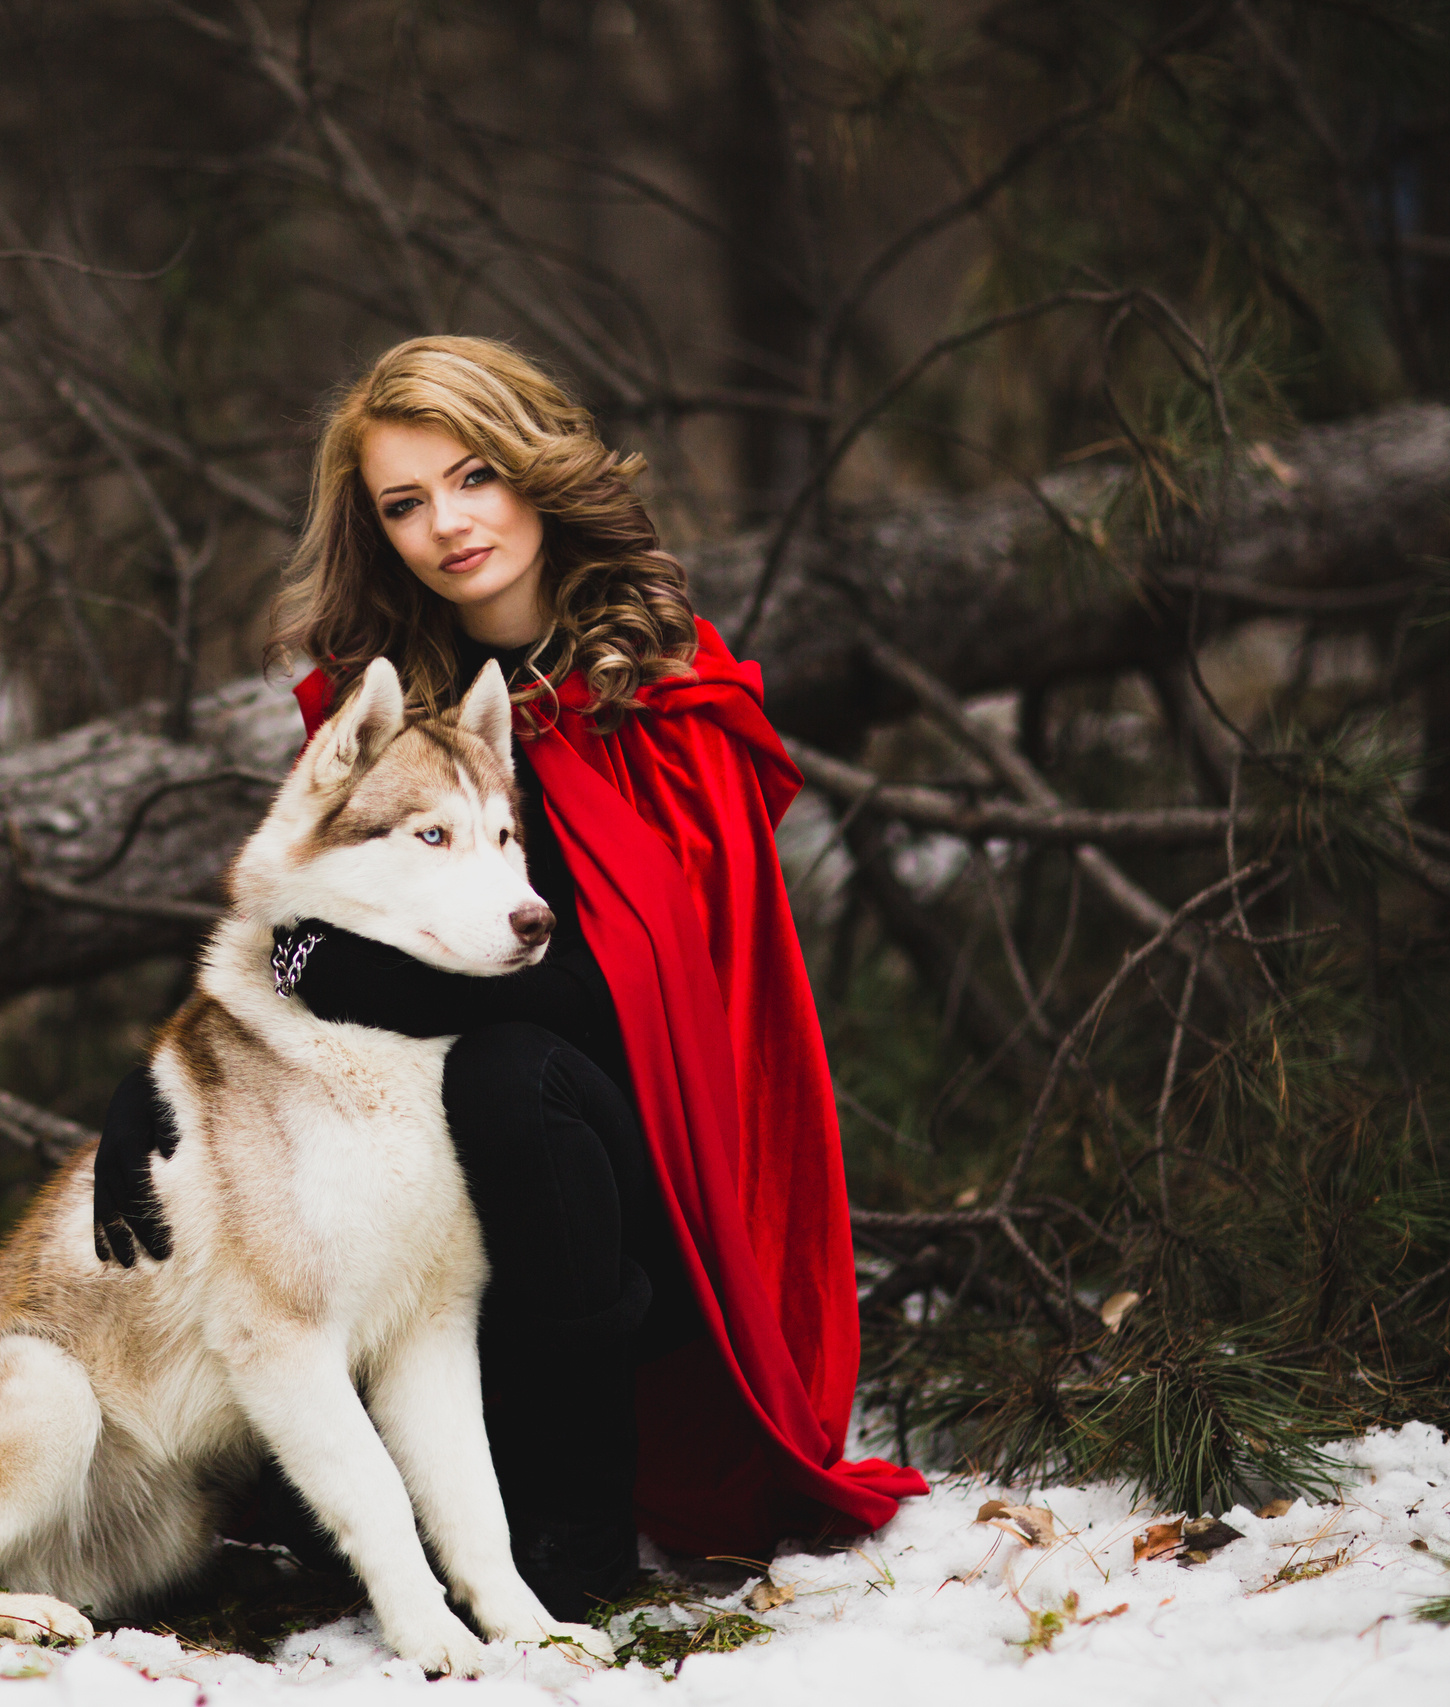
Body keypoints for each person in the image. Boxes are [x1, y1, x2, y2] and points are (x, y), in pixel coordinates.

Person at [91, 335, 925, 1612]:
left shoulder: (664, 693)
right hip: (432, 1210)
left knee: (508, 1073)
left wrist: (390, 986)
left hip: (644, 1195)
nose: (447, 525)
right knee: (432, 1080)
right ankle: (398, 1496)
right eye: (403, 503)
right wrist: (164, 1091)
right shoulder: (379, 711)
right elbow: (302, 933)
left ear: (535, 470)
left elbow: (642, 1007)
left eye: (472, 475)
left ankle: (575, 1530)